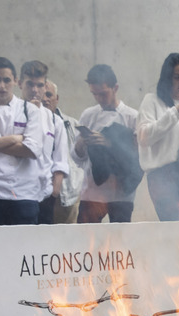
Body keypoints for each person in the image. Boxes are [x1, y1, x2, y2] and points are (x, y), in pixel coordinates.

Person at [0, 57, 43, 226]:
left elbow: (31, 150)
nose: (1, 86)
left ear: (15, 81)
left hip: (23, 193)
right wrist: (13, 139)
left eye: (6, 80)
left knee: (24, 249)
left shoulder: (30, 110)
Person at [137, 53, 179, 220]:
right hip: (162, 174)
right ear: (167, 77)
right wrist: (176, 112)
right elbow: (144, 137)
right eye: (177, 77)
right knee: (174, 224)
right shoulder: (152, 101)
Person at [73, 64, 140, 223]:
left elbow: (138, 157)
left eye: (103, 94)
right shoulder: (89, 115)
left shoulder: (132, 117)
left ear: (115, 88)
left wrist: (110, 143)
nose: (99, 99)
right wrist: (83, 142)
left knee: (120, 243)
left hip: (121, 193)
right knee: (85, 241)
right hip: (92, 191)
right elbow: (77, 157)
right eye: (94, 94)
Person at [19, 60, 69, 225]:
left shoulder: (54, 121)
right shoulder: (13, 112)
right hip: (16, 192)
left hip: (44, 195)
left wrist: (54, 190)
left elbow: (60, 159)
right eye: (30, 84)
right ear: (20, 84)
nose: (35, 90)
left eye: (40, 85)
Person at [42, 80, 84, 223]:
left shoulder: (73, 124)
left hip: (68, 194)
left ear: (57, 98)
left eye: (49, 95)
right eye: (42, 95)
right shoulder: (30, 122)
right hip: (40, 192)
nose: (45, 99)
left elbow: (82, 158)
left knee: (67, 241)